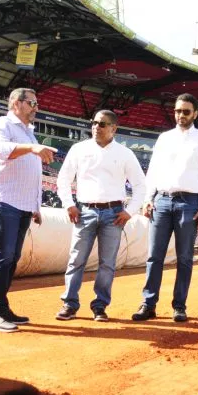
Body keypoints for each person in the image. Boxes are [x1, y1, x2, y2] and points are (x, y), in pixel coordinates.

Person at [132, 94, 198, 323]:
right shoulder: (164, 138)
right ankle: (148, 304)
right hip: (161, 200)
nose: (181, 115)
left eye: (186, 111)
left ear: (195, 114)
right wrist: (147, 198)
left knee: (185, 258)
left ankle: (179, 306)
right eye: (178, 111)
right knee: (154, 256)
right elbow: (153, 170)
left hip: (189, 203)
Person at [55, 110, 146, 322]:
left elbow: (141, 186)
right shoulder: (79, 149)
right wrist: (69, 204)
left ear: (114, 128)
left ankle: (100, 306)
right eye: (94, 122)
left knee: (107, 263)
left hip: (114, 214)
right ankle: (69, 304)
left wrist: (130, 211)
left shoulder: (125, 154)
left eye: (102, 124)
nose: (97, 127)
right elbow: (64, 179)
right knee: (76, 260)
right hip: (84, 210)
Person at [0, 88, 56, 332]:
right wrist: (32, 148)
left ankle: (2, 307)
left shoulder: (29, 133)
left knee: (12, 257)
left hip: (23, 205)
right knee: (3, 255)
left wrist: (35, 206)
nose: (36, 107)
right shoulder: (2, 124)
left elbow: (33, 174)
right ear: (16, 103)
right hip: (5, 200)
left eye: (37, 103)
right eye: (32, 103)